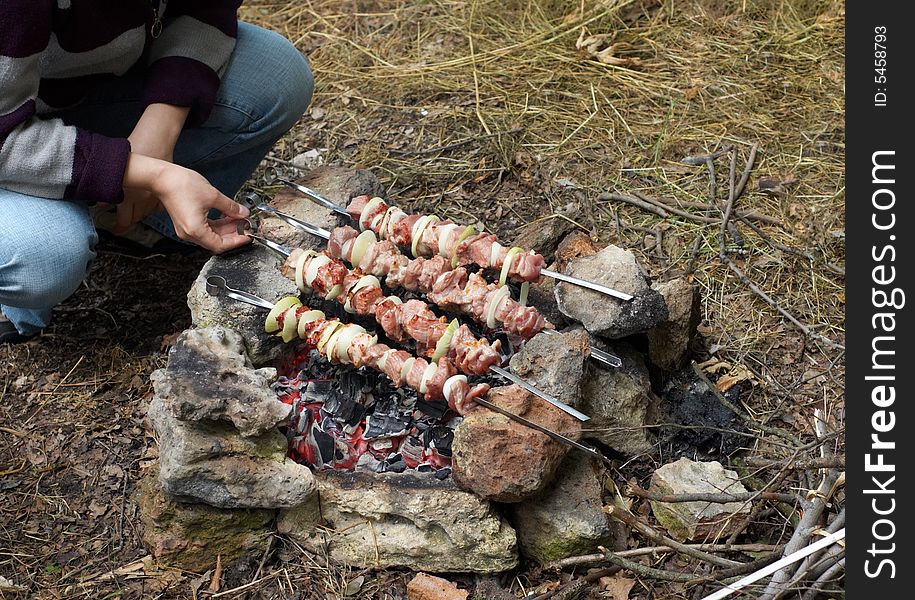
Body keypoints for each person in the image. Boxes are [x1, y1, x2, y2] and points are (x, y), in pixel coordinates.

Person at [0, 1, 313, 344]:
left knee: (278, 74)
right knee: (46, 259)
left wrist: (159, 125)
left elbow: (208, 8)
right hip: (7, 127)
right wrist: (147, 172)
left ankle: (124, 215)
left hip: (74, 91)